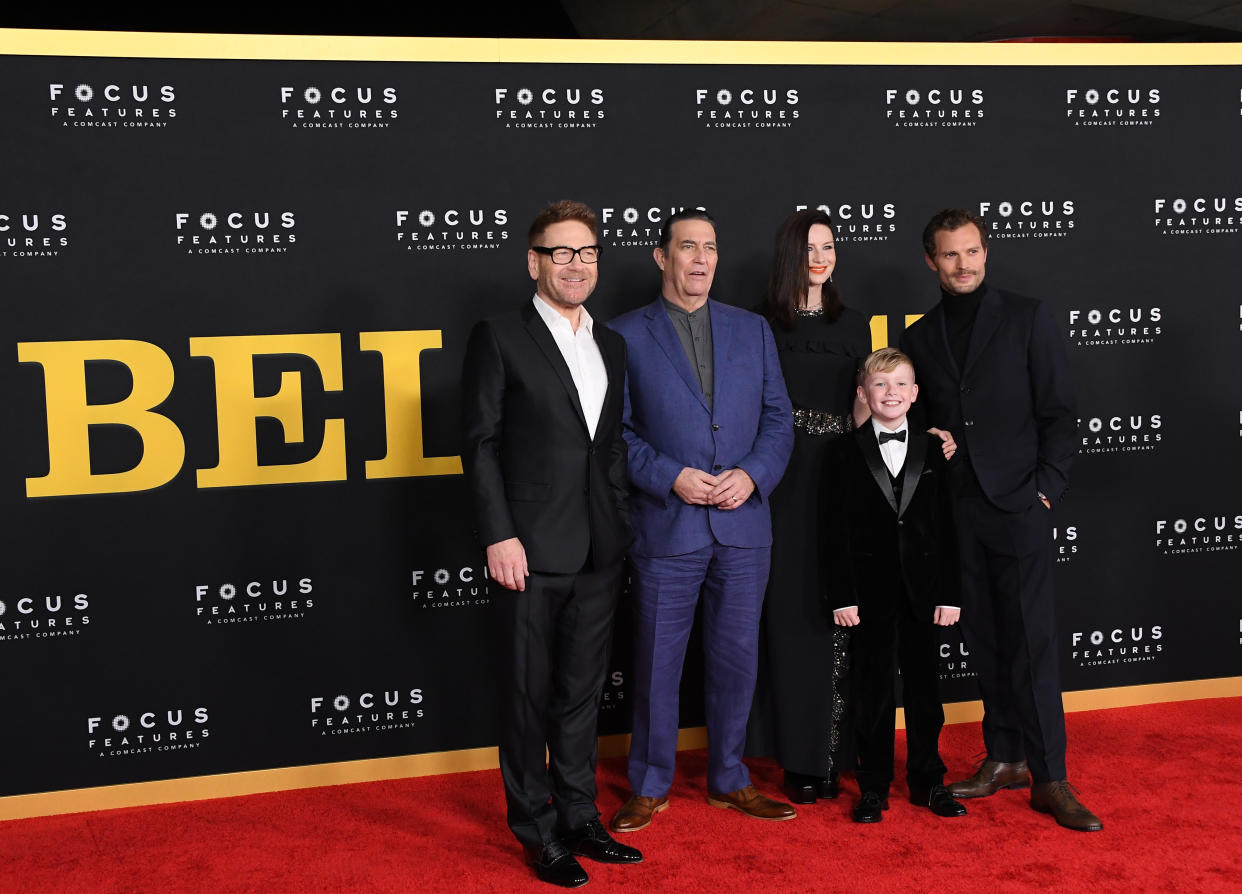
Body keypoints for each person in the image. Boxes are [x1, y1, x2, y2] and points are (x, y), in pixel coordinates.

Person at [900, 208, 1101, 832]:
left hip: (1019, 505)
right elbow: (921, 425)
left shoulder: (1026, 315)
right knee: (985, 643)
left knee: (1032, 646)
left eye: (973, 252)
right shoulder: (921, 337)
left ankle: (1051, 776)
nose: (964, 264)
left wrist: (1046, 491)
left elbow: (1061, 413)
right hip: (958, 511)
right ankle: (1006, 756)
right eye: (950, 255)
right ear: (930, 261)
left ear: (986, 253)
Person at [461, 200, 642, 887]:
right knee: (527, 697)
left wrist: (619, 523)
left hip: (600, 549)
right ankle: (536, 832)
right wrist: (499, 534)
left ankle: (579, 816)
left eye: (587, 252)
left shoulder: (612, 343)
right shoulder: (500, 336)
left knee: (580, 694)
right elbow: (478, 446)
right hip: (529, 551)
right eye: (561, 253)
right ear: (533, 261)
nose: (576, 265)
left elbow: (611, 446)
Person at [607, 209, 796, 832]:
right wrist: (671, 476)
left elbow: (777, 419)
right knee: (657, 663)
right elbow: (616, 435)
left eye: (709, 247)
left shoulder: (753, 331)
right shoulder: (622, 335)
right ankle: (649, 784)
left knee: (737, 660)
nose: (700, 258)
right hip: (667, 525)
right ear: (661, 257)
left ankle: (729, 779)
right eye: (686, 246)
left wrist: (753, 475)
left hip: (744, 526)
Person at [744, 209, 871, 805]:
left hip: (841, 477)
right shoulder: (759, 324)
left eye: (829, 246)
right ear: (789, 256)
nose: (820, 258)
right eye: (809, 248)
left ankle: (835, 754)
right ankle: (797, 757)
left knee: (839, 608)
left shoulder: (856, 325)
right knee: (790, 613)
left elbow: (870, 407)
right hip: (783, 479)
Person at [825, 347, 967, 823]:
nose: (891, 393)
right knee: (873, 693)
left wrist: (951, 594)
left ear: (915, 394)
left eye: (901, 384)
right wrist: (842, 595)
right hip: (869, 595)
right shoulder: (842, 452)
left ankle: (930, 782)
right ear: (863, 393)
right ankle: (873, 786)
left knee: (926, 692)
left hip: (925, 594)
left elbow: (949, 525)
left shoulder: (935, 450)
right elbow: (833, 529)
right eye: (881, 385)